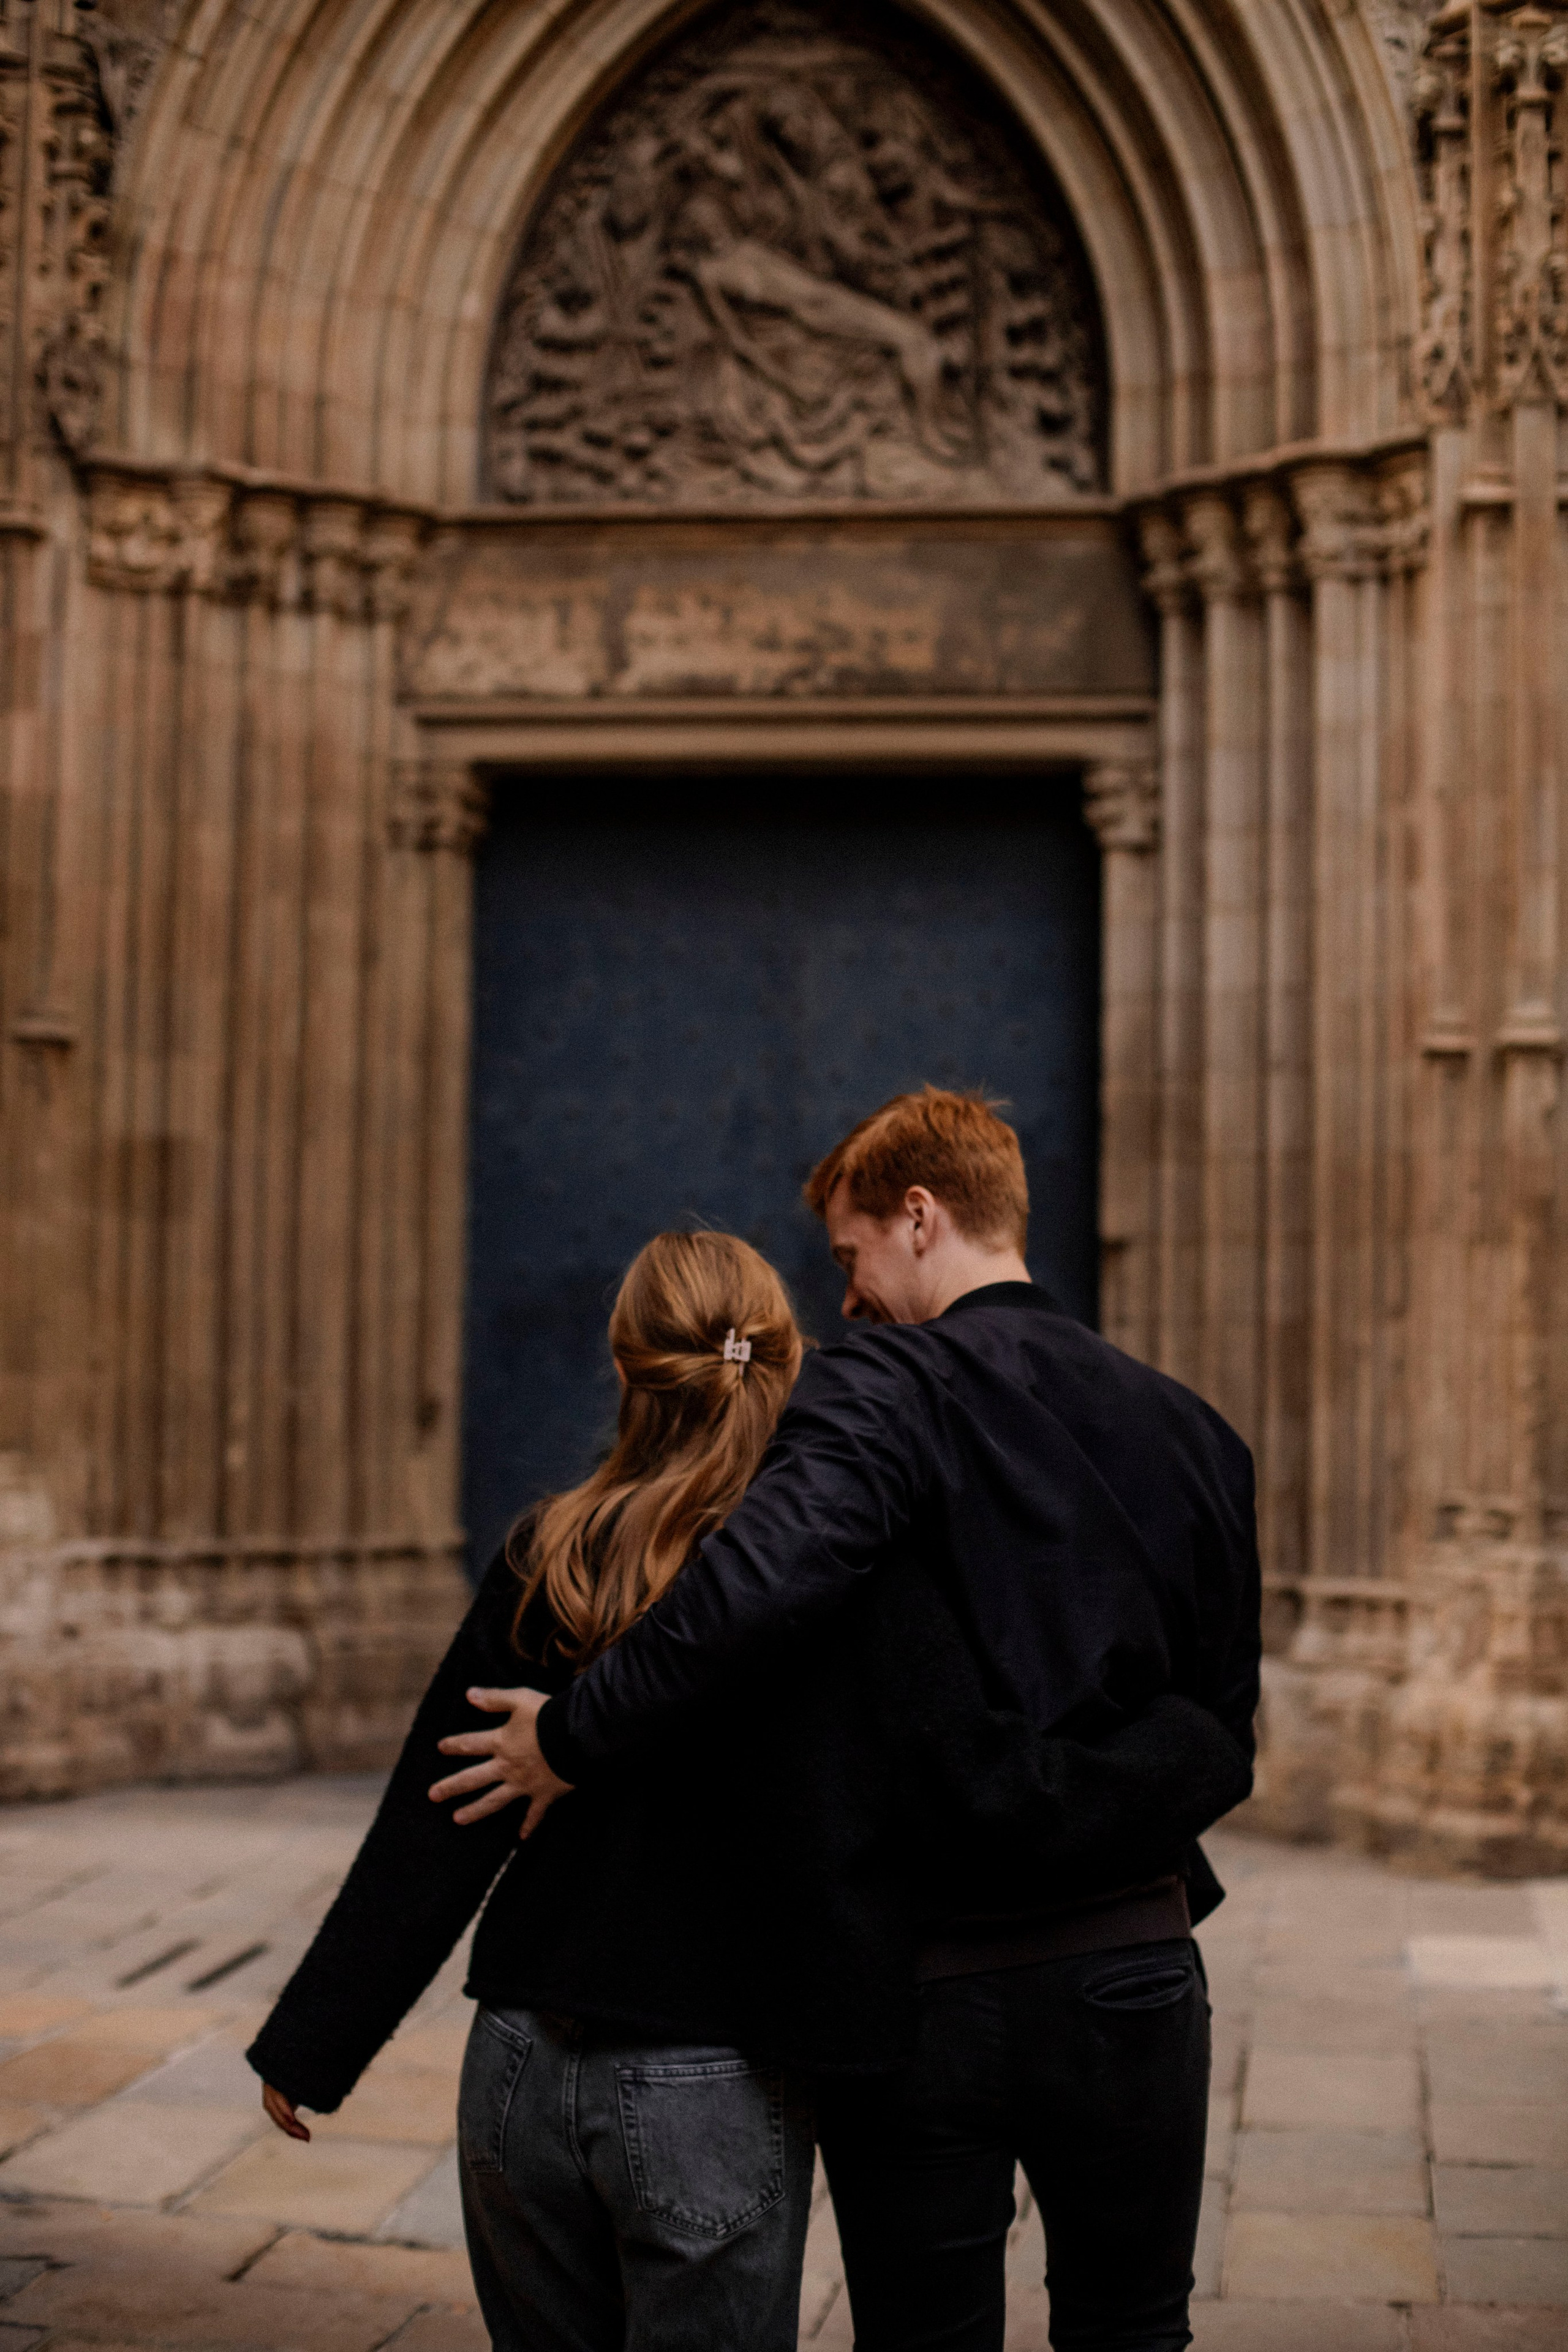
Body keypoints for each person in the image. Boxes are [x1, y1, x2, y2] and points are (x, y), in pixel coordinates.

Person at [432, 1088, 1262, 2352]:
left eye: (849, 1255)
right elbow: (1218, 1730)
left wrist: (571, 1736)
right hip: (1132, 1968)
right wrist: (1074, 1807)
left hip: (927, 1990)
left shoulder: (880, 1385)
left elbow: (751, 1591)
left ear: (919, 1218)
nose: (850, 1296)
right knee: (1136, 2330)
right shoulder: (1194, 1428)